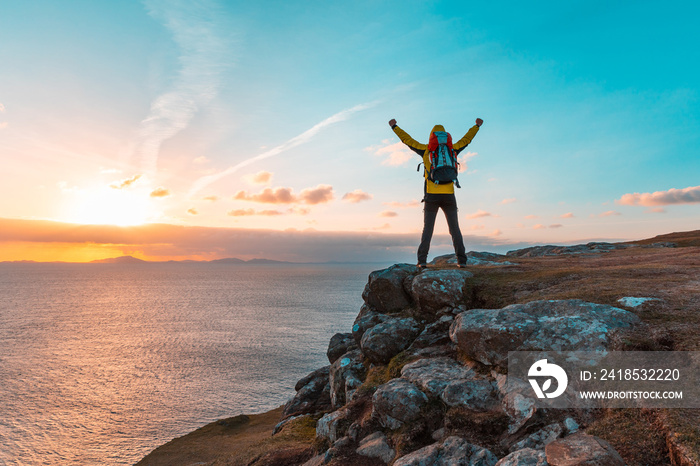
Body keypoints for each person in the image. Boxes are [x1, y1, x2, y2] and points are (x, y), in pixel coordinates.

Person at [388, 117, 483, 268]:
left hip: (431, 196)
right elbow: (467, 139)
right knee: (455, 229)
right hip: (449, 195)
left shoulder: (426, 150)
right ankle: (462, 261)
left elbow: (407, 140)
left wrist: (394, 127)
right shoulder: (453, 149)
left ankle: (422, 261)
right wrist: (476, 126)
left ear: (432, 136)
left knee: (428, 230)